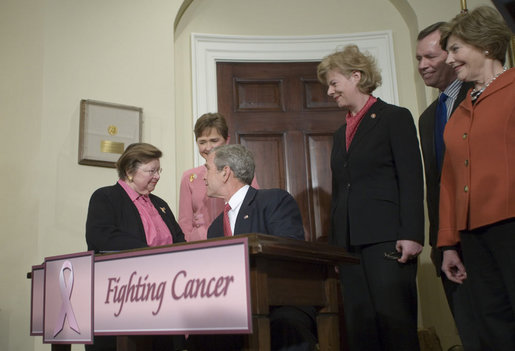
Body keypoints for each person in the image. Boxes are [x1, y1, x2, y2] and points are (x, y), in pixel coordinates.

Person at [317, 45, 424, 351]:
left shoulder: (394, 117)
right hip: (350, 246)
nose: (329, 91)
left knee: (395, 326)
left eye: (334, 83)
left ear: (356, 76)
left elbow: (411, 178)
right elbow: (340, 191)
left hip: (388, 240)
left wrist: (412, 233)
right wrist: (338, 249)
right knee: (360, 328)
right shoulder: (340, 133)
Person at [187, 144, 317, 351]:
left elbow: (289, 254)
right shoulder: (214, 229)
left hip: (280, 302)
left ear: (225, 172)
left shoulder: (274, 200)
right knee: (202, 332)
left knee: (285, 326)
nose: (203, 177)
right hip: (235, 308)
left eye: (208, 169)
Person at [437, 6, 515, 350]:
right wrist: (449, 244)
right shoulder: (459, 113)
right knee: (492, 323)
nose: (449, 59)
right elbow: (449, 183)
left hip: (511, 224)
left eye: (456, 48)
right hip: (473, 235)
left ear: (484, 44)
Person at [416, 23, 480, 350]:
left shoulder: (480, 95)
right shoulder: (428, 118)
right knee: (468, 332)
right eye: (418, 58)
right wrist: (438, 242)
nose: (422, 65)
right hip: (448, 243)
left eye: (430, 56)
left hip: (483, 233)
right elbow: (435, 183)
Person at [85, 143, 186, 351]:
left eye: (159, 170)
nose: (157, 176)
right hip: (120, 298)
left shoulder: (160, 204)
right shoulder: (105, 197)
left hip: (164, 294)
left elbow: (178, 239)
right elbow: (103, 237)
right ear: (130, 171)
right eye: (151, 171)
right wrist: (152, 253)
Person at [178, 112, 258, 242]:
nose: (208, 147)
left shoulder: (242, 170)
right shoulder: (189, 177)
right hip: (200, 245)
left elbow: (254, 207)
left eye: (214, 140)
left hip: (237, 239)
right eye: (202, 142)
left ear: (227, 139)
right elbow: (185, 223)